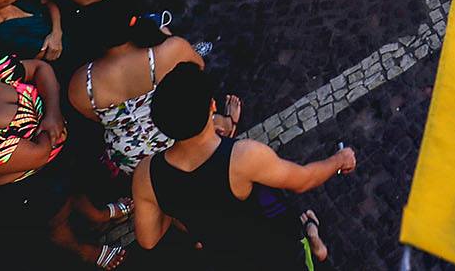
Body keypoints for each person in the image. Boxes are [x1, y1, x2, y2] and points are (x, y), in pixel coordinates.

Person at [137, 62, 348, 267]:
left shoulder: (146, 175)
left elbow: (148, 239)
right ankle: (313, 239)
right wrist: (340, 160)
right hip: (276, 252)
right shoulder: (243, 157)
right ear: (212, 106)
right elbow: (304, 180)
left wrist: (173, 202)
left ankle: (313, 241)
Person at [0, 55, 127, 267]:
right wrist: (52, 127)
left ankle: (95, 214)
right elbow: (40, 153)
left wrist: (53, 114)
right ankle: (84, 251)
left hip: (56, 159)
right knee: (56, 220)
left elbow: (41, 68)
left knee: (74, 189)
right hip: (28, 189)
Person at [70, 13, 223, 174]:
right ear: (133, 21)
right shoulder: (172, 49)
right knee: (199, 101)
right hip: (181, 135)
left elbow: (95, 118)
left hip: (133, 162)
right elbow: (198, 70)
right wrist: (169, 40)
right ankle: (225, 124)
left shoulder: (80, 83)